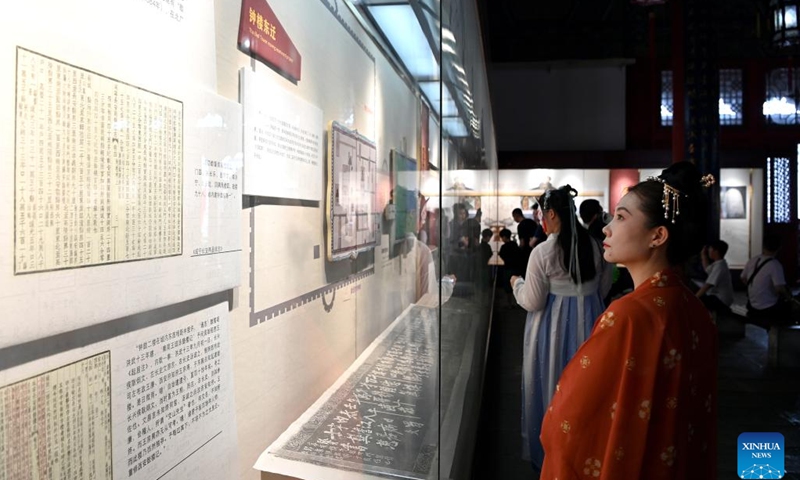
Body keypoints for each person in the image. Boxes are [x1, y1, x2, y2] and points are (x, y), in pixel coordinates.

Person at [540, 161, 717, 479]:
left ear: (657, 236)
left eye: (621, 217)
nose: (607, 228)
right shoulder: (694, 309)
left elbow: (570, 418)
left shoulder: (628, 315)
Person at [509, 185, 611, 469]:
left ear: (551, 213)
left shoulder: (543, 252)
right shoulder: (593, 245)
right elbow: (602, 289)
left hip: (552, 331)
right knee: (588, 389)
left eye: (543, 213)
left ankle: (553, 459)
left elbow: (533, 300)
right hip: (591, 324)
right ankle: (587, 455)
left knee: (551, 386)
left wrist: (516, 284)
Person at [740, 234, 792, 326]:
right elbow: (779, 289)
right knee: (789, 309)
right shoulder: (775, 265)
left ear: (763, 246)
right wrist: (790, 298)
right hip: (767, 308)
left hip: (751, 306)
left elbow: (743, 278)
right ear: (779, 248)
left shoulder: (753, 260)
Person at [696, 240, 734, 314]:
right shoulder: (718, 264)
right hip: (718, 298)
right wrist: (703, 256)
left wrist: (694, 298)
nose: (709, 251)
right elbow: (707, 269)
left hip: (721, 300)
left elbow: (707, 285)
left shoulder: (719, 267)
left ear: (715, 251)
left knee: (698, 301)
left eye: (710, 249)